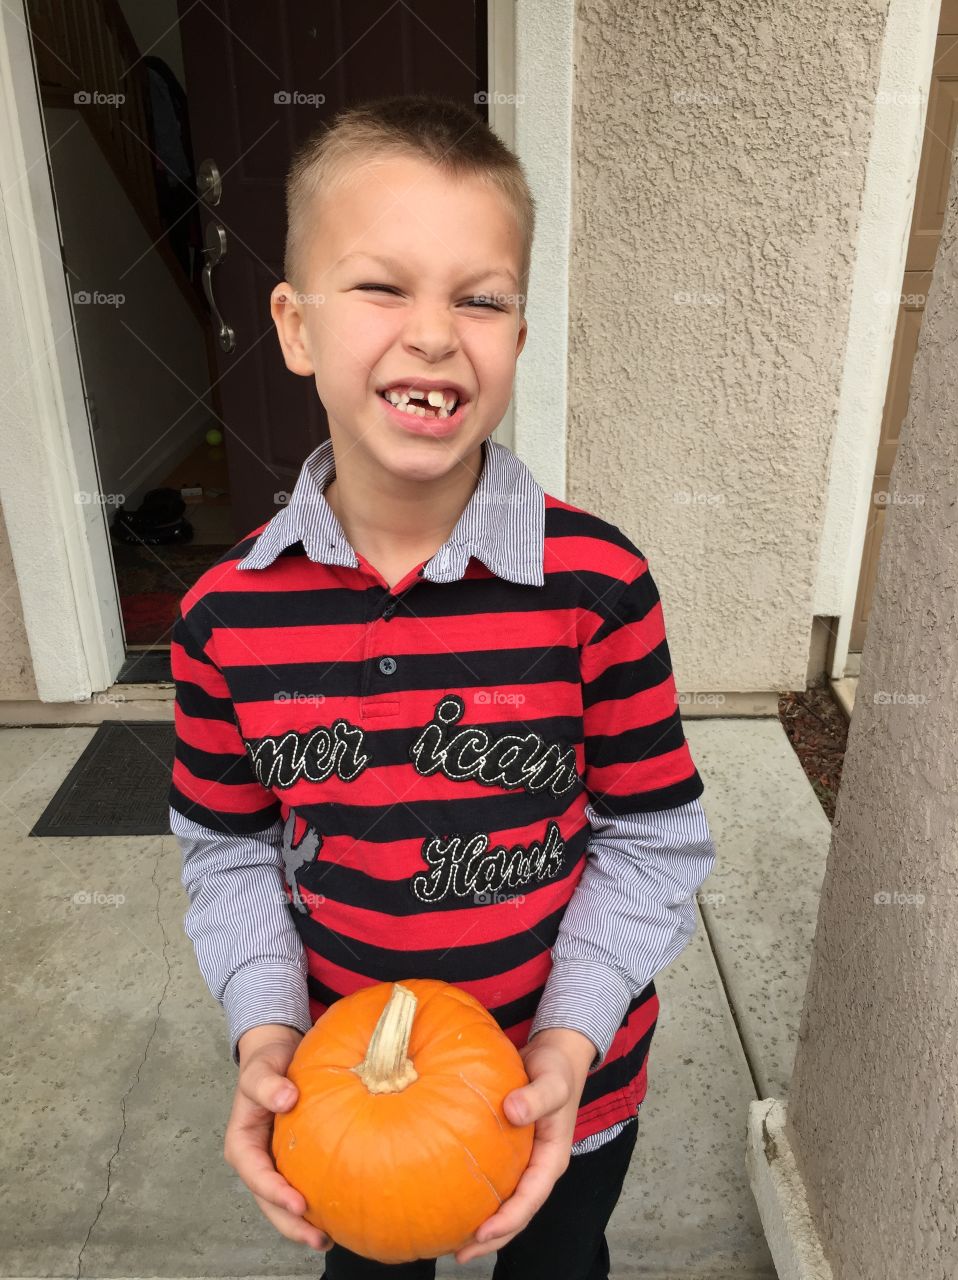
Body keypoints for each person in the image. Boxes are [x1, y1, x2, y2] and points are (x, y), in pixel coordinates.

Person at [168, 93, 717, 1279]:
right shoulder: (225, 621)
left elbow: (652, 835)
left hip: (573, 1087)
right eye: (381, 286)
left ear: (518, 335)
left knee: (559, 1267)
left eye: (481, 297)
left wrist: (569, 1041)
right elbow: (224, 848)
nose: (433, 334)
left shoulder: (598, 585)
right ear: (296, 323)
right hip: (349, 1101)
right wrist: (270, 1031)